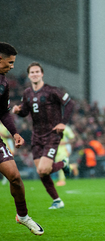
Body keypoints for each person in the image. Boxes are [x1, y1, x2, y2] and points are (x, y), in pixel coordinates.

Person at [12, 61, 74, 209]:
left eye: (37, 72)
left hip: (52, 134)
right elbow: (25, 112)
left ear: (42, 74)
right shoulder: (27, 93)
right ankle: (57, 200)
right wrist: (18, 111)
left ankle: (63, 163)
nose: (34, 74)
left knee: (43, 169)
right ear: (29, 75)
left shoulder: (52, 91)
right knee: (42, 173)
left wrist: (63, 122)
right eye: (32, 72)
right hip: (36, 136)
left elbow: (70, 104)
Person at [0, 42, 44, 235]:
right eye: (9, 63)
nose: (12, 67)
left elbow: (3, 112)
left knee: (15, 178)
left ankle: (23, 216)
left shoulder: (3, 84)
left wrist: (15, 133)